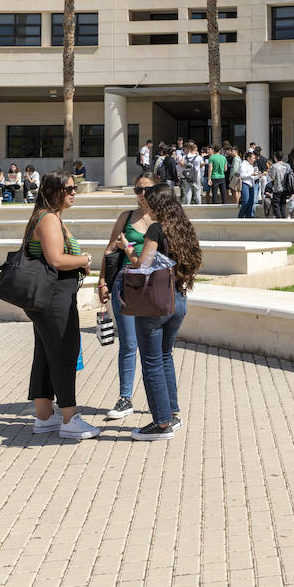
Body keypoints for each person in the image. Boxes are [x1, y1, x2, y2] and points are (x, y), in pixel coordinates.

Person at [122, 182, 202, 441]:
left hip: (156, 303)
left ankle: (162, 423)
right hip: (179, 299)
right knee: (165, 356)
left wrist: (128, 249)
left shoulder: (156, 229)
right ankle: (172, 412)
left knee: (152, 360)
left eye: (149, 203)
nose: (146, 206)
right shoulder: (184, 227)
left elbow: (143, 265)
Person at [22, 171, 98, 440]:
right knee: (64, 354)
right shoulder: (49, 219)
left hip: (49, 298)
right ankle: (70, 418)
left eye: (74, 188)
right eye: (68, 189)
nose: (74, 192)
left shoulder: (45, 217)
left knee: (45, 354)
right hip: (54, 299)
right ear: (53, 191)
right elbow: (56, 259)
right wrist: (84, 260)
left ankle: (44, 416)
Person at [98, 172, 156, 422]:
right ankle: (125, 398)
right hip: (125, 283)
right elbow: (111, 249)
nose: (141, 195)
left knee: (155, 347)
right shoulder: (126, 217)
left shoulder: (163, 219)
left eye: (145, 190)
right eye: (137, 190)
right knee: (129, 344)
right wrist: (102, 280)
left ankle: (161, 401)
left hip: (154, 285)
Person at [237, 152, 260, 218]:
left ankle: (249, 216)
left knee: (251, 202)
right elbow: (242, 176)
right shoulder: (243, 164)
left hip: (251, 184)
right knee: (246, 201)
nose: (254, 159)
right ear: (248, 158)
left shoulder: (250, 165)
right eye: (253, 158)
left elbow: (252, 177)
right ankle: (240, 216)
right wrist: (252, 174)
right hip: (245, 184)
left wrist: (259, 176)